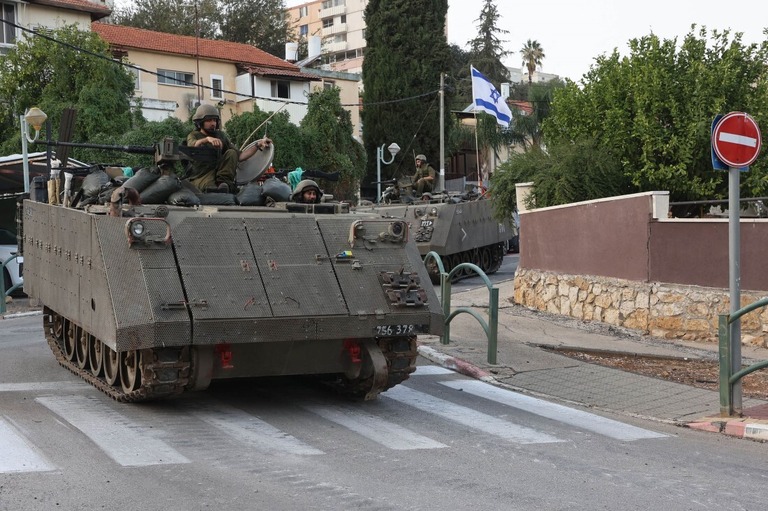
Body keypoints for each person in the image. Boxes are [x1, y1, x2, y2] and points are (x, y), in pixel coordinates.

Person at [186, 104, 270, 193]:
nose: (213, 123)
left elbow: (240, 156)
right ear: (200, 122)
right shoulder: (194, 135)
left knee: (232, 152)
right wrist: (206, 139)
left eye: (214, 120)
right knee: (210, 189)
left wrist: (258, 145)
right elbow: (192, 146)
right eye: (209, 120)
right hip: (201, 175)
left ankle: (223, 183)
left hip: (219, 175)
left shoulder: (220, 136)